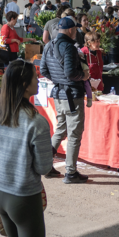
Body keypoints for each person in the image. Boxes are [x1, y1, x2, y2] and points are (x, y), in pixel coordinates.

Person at [0, 59, 52, 237]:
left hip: (1, 196)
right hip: (24, 199)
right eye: (35, 77)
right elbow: (44, 167)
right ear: (25, 85)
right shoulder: (36, 122)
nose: (38, 80)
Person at [39, 17, 89, 185]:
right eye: (75, 29)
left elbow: (44, 69)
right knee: (74, 133)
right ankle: (71, 172)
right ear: (70, 30)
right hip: (72, 95)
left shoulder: (48, 46)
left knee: (61, 129)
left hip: (58, 94)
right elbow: (70, 73)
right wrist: (84, 76)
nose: (76, 31)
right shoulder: (69, 47)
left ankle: (47, 166)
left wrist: (58, 80)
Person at [80, 31, 104, 98]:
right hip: (86, 85)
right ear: (89, 42)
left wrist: (101, 81)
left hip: (98, 85)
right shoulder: (83, 52)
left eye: (99, 41)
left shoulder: (99, 52)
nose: (99, 43)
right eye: (97, 41)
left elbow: (100, 68)